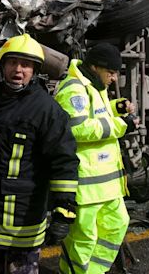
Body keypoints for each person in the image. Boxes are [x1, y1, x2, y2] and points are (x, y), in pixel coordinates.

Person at [0, 34, 79, 274]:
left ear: (35, 70)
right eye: (12, 62)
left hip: (23, 220)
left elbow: (63, 160)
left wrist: (64, 209)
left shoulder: (47, 109)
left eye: (26, 64)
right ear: (2, 65)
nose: (18, 69)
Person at [55, 42, 138, 274]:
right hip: (88, 186)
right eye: (110, 72)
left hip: (107, 185)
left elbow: (96, 113)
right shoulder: (73, 89)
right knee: (84, 240)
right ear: (94, 66)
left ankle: (93, 271)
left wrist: (115, 107)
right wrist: (122, 125)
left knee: (117, 225)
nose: (114, 78)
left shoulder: (93, 84)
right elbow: (78, 127)